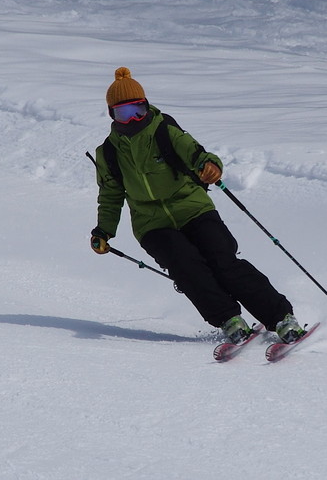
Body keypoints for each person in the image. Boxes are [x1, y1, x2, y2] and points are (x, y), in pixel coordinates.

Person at [90, 66, 305, 344]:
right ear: (112, 115)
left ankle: (281, 318)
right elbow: (110, 195)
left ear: (146, 106)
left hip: (193, 207)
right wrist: (103, 231)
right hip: (151, 223)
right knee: (186, 266)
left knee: (223, 261)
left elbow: (198, 155)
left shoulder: (165, 130)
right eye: (124, 113)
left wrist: (210, 166)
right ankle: (229, 320)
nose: (132, 119)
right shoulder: (107, 152)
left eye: (138, 110)